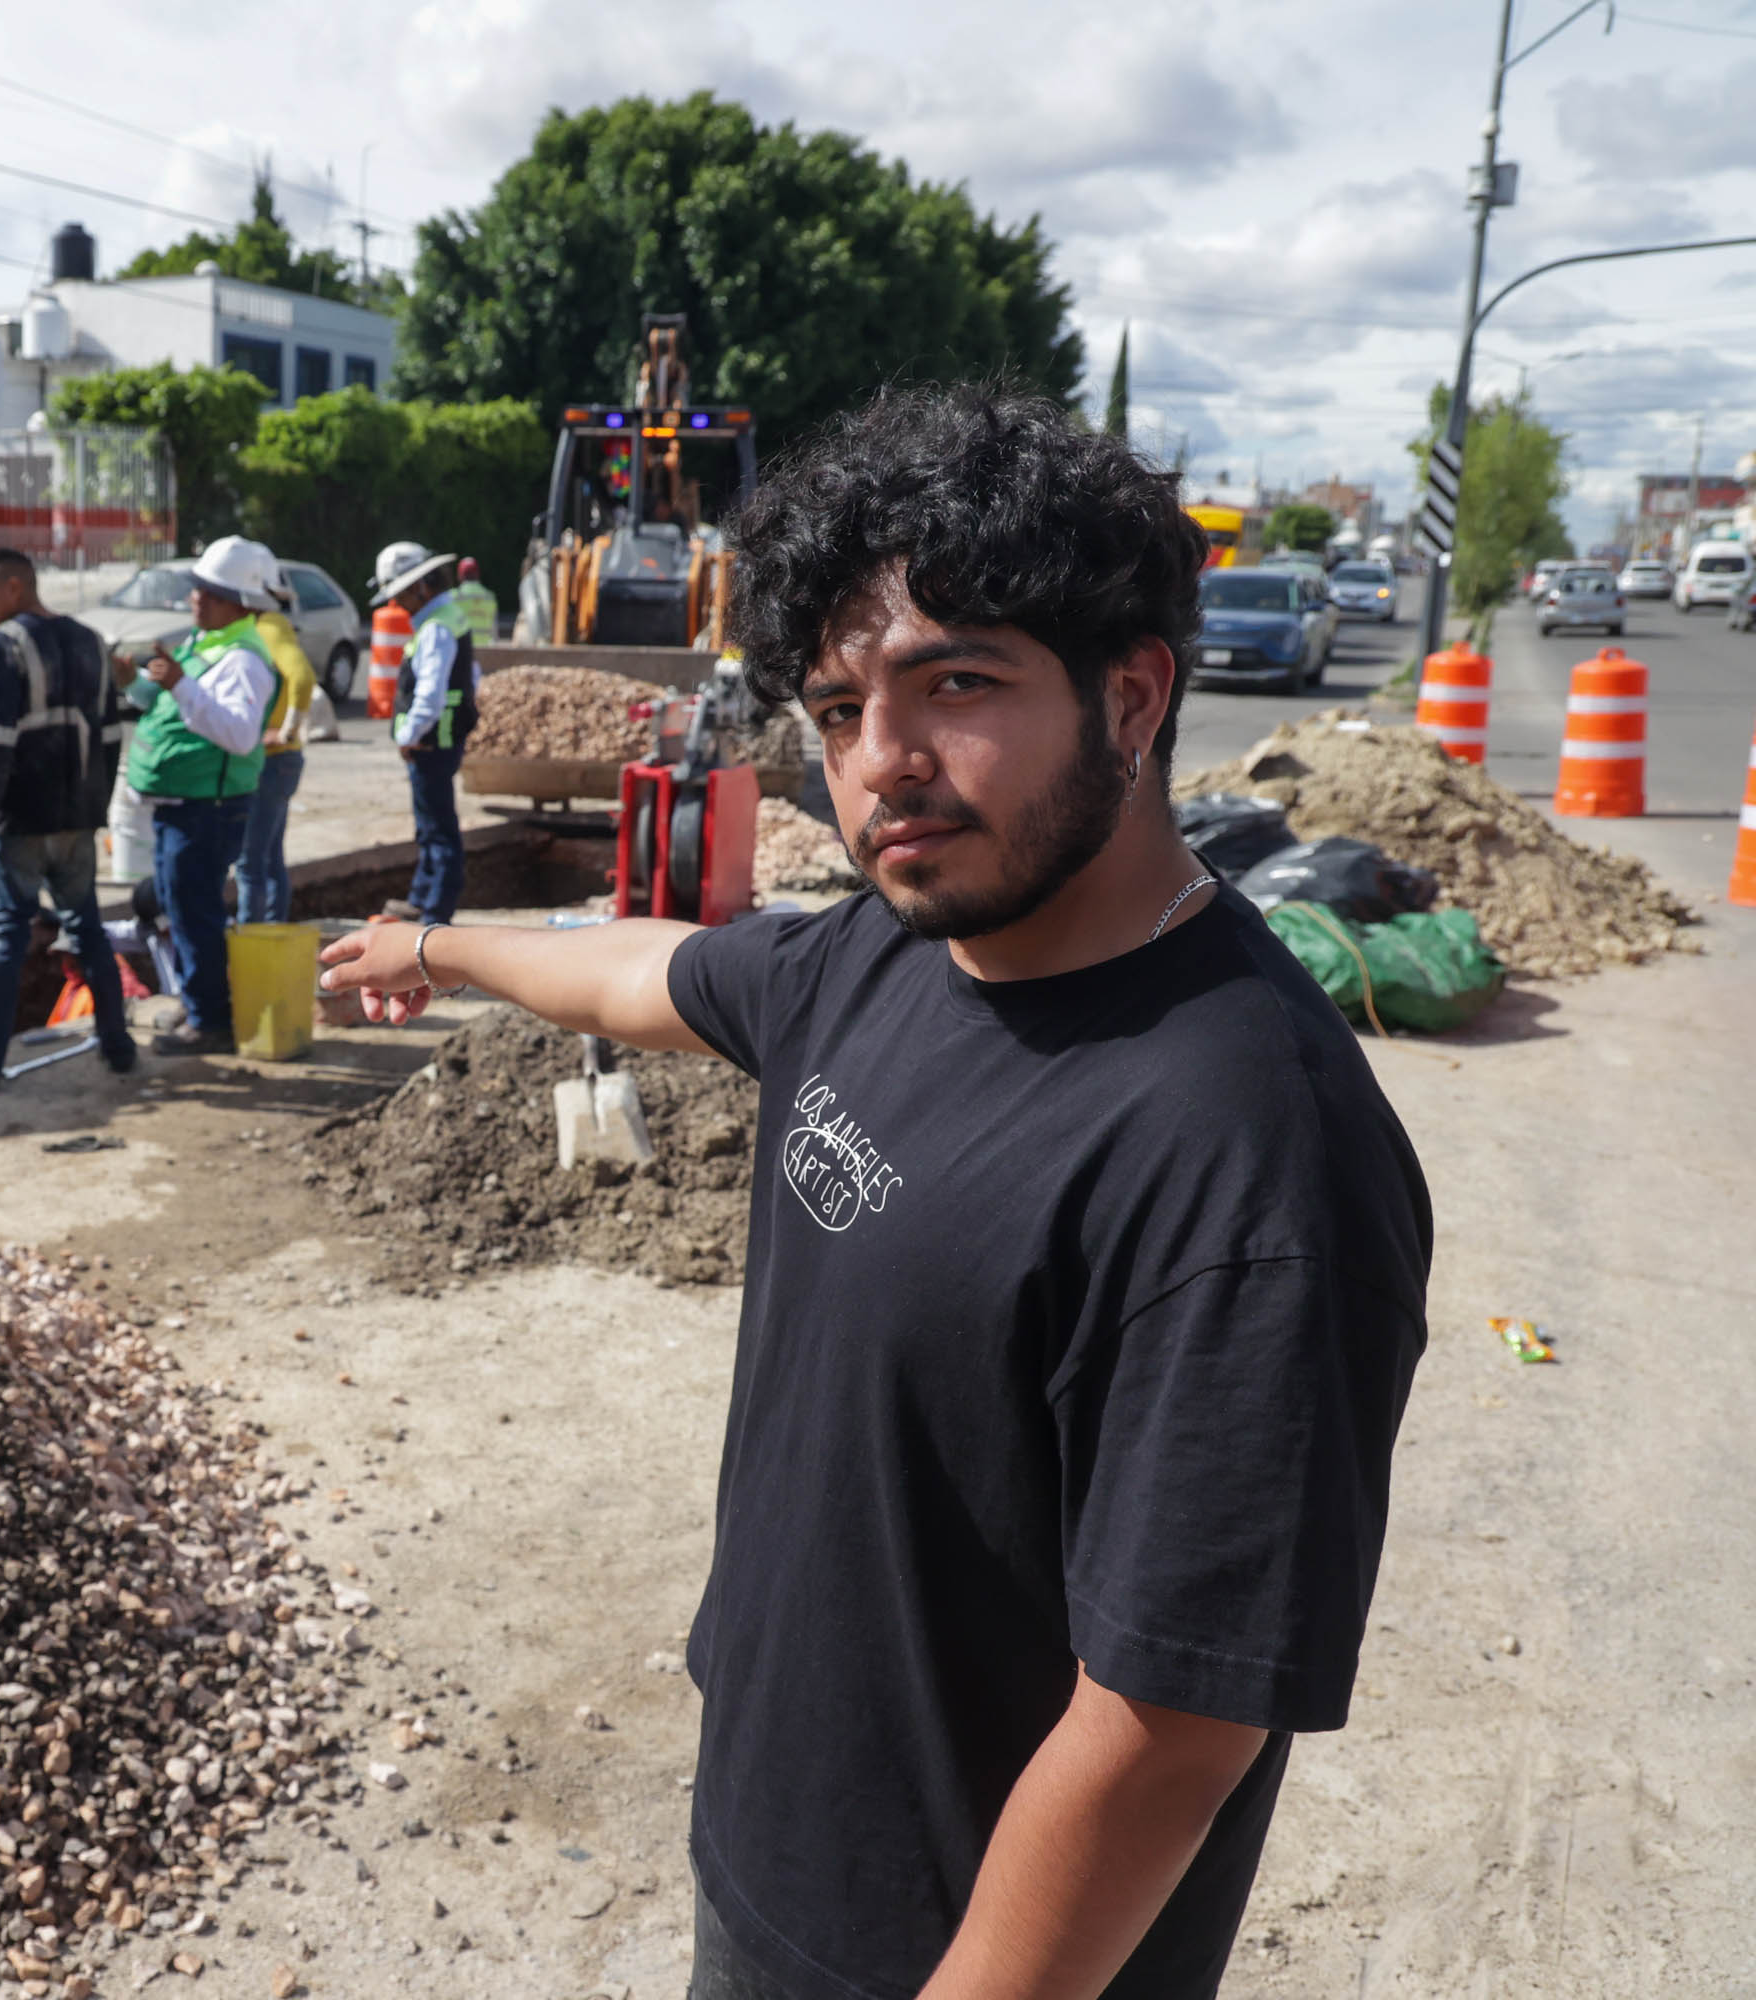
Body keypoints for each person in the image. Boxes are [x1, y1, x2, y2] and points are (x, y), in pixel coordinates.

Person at [320, 385, 1431, 2000]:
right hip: (769, 1846)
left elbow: (1168, 1729)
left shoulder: (1250, 1154)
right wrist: (437, 947)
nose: (881, 766)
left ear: (1132, 699)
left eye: (954, 685)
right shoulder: (885, 949)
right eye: (838, 711)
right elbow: (656, 973)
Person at [0, 547, 136, 1089]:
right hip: (76, 821)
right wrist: (94, 812)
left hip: (23, 823)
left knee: (8, 935)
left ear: (14, 588)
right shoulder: (90, 642)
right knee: (88, 930)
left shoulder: (4, 646)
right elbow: (109, 737)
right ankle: (118, 1047)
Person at [122, 535, 279, 1057]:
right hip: (182, 807)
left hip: (208, 810)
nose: (197, 599)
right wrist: (139, 685)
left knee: (196, 911)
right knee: (180, 905)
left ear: (241, 603)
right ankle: (197, 1003)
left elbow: (238, 734)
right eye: (197, 589)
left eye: (210, 593)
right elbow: (172, 710)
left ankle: (210, 1020)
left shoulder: (243, 660)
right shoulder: (203, 644)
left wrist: (182, 685)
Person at [370, 540, 477, 922]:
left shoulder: (435, 629)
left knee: (437, 829)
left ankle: (435, 911)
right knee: (429, 825)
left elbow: (430, 694)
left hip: (433, 742)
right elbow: (469, 679)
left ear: (421, 586)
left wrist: (409, 735)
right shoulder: (447, 618)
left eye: (401, 595)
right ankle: (422, 897)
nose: (397, 605)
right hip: (441, 739)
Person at [234, 553, 319, 926]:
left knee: (251, 863)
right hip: (281, 761)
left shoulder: (268, 625)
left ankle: (251, 941)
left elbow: (302, 678)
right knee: (269, 859)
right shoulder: (270, 625)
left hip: (273, 759)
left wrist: (286, 731)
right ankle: (271, 932)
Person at [450, 555, 502, 640]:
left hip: (463, 650)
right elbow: (495, 632)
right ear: (477, 574)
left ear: (460, 575)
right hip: (486, 650)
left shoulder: (453, 596)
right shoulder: (490, 597)